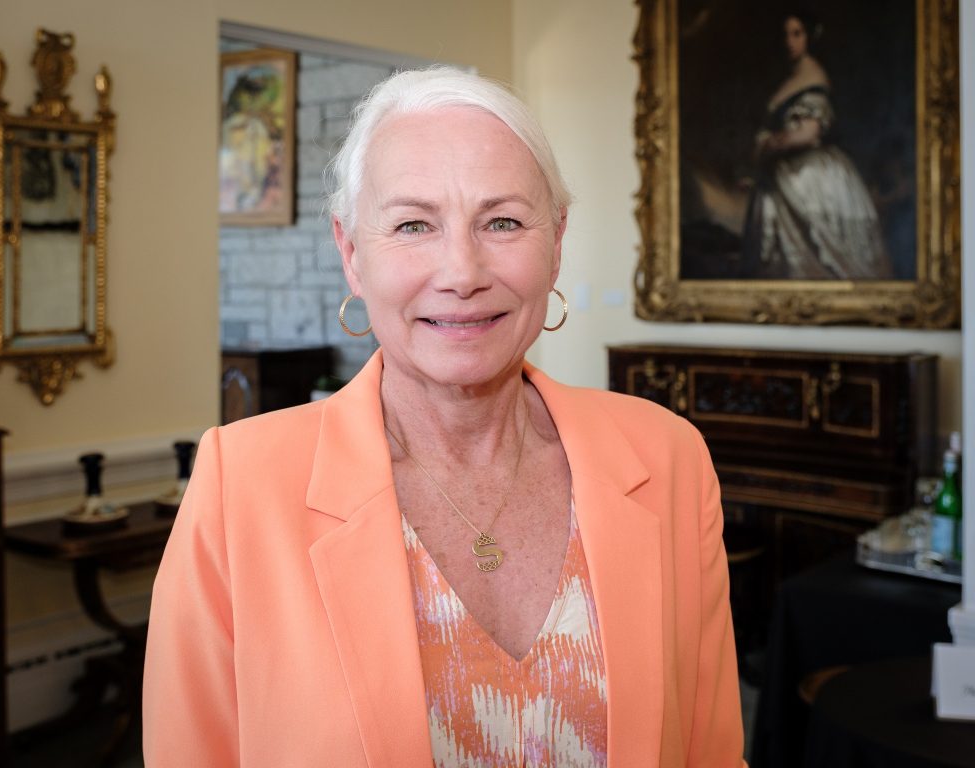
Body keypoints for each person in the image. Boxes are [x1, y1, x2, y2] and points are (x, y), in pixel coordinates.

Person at [143, 67, 745, 767]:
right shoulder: (239, 484)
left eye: (502, 222)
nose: (462, 272)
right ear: (351, 254)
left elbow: (711, 751)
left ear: (556, 243)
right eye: (413, 225)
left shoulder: (667, 456)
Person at [742, 12, 892, 280]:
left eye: (796, 34)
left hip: (810, 174)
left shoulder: (813, 77)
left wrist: (770, 144)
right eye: (785, 35)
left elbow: (808, 133)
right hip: (784, 170)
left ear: (808, 37)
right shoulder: (791, 76)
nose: (789, 41)